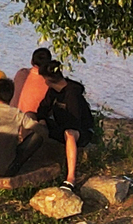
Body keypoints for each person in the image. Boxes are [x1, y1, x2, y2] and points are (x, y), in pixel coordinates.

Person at [32, 54, 96, 187]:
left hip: (80, 131)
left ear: (48, 79)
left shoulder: (72, 94)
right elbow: (43, 108)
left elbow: (75, 121)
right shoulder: (53, 90)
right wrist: (42, 119)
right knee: (29, 115)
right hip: (59, 125)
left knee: (69, 133)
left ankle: (70, 177)